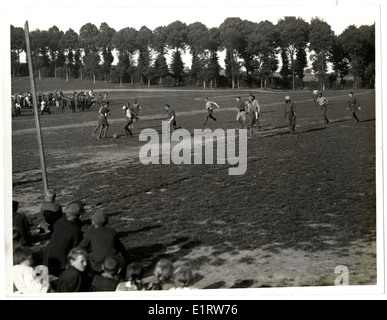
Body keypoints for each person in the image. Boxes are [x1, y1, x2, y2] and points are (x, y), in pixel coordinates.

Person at [77, 212, 129, 278]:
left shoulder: (91, 232)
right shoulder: (111, 231)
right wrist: (127, 258)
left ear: (93, 222)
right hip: (112, 262)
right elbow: (119, 246)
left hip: (97, 265)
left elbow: (81, 246)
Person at [43, 201, 85, 277]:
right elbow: (75, 249)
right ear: (80, 216)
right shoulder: (76, 231)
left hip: (48, 254)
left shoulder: (59, 222)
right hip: (62, 260)